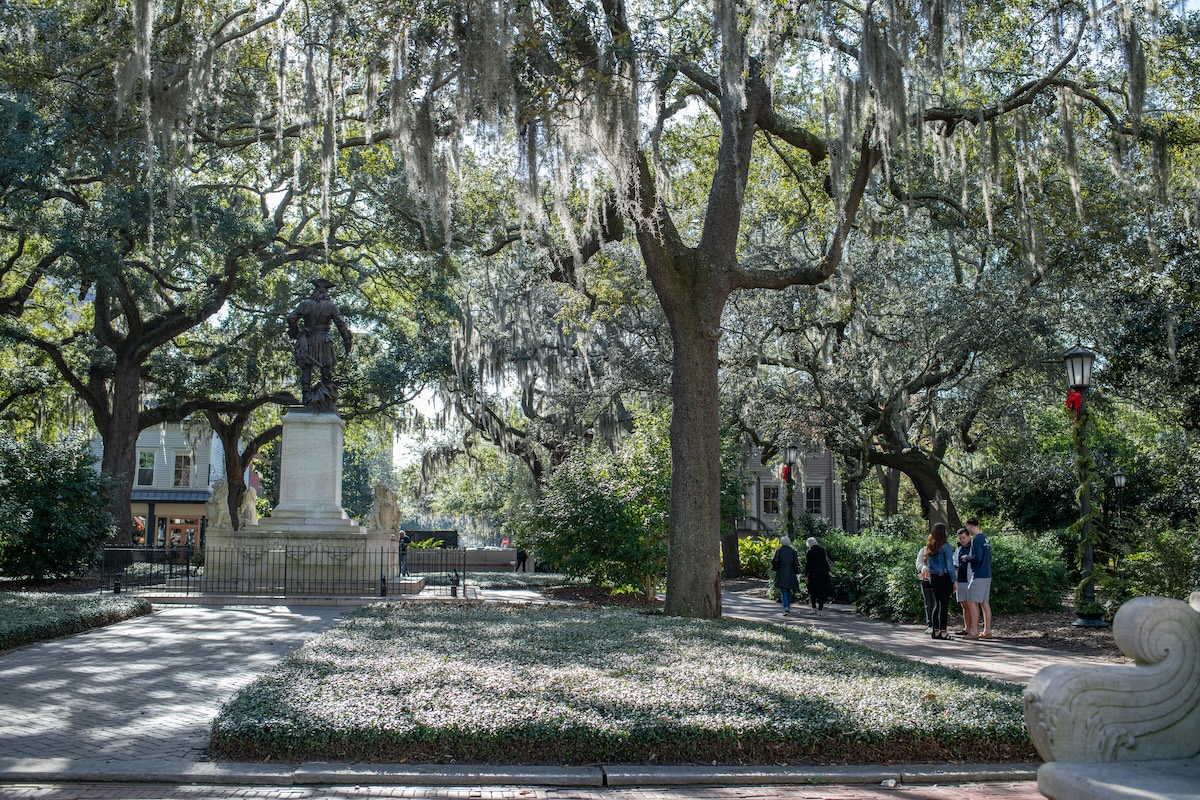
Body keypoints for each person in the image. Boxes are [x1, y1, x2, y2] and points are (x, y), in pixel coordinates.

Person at [287, 278, 352, 408]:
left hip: (307, 340)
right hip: (323, 340)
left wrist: (296, 332)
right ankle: (326, 400)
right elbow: (340, 323)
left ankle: (306, 398)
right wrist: (347, 340)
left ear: (315, 292)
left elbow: (291, 318)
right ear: (325, 293)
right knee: (326, 371)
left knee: (306, 370)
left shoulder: (305, 304)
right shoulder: (331, 306)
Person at [925, 522, 956, 640]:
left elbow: (928, 563)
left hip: (934, 578)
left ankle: (935, 630)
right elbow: (950, 565)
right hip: (944, 577)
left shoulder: (930, 546)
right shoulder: (945, 546)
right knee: (944, 605)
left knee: (936, 604)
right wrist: (954, 580)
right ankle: (944, 632)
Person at [964, 516, 993, 639]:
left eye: (968, 528)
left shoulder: (976, 540)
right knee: (984, 603)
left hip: (979, 575)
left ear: (970, 526)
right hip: (987, 574)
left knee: (971, 601)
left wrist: (967, 558)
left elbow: (978, 557)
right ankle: (987, 631)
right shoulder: (985, 539)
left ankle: (974, 631)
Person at [771, 535, 801, 616]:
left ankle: (786, 607)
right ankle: (788, 607)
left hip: (781, 572)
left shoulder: (779, 551)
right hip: (791, 573)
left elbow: (773, 561)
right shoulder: (793, 551)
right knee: (788, 590)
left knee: (783, 590)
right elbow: (796, 563)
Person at [803, 536, 835, 613]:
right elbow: (829, 560)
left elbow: (808, 564)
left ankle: (813, 608)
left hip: (813, 575)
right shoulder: (823, 550)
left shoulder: (810, 552)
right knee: (822, 591)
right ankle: (820, 609)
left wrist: (806, 575)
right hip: (824, 574)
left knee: (812, 592)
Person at [954, 527, 973, 635]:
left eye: (964, 538)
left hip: (970, 579)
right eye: (960, 538)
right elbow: (955, 562)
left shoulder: (973, 548)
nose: (962, 540)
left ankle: (973, 628)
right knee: (964, 604)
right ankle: (966, 628)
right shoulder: (958, 550)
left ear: (968, 536)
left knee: (971, 604)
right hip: (960, 580)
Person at [916, 543, 935, 634]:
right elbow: (918, 563)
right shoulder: (923, 550)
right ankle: (930, 624)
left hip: (936, 580)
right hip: (925, 579)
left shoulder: (940, 550)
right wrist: (924, 567)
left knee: (936, 602)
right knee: (928, 602)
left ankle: (936, 624)